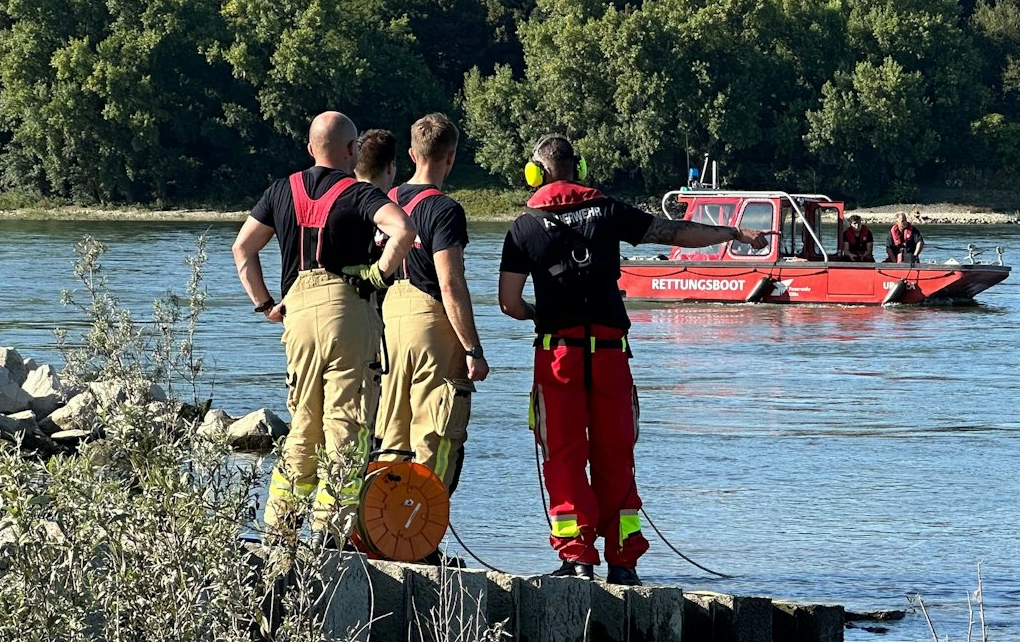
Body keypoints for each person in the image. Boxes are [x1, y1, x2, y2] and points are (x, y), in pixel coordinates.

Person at [498, 133, 766, 585]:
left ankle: (577, 557)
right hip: (610, 356)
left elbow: (509, 302)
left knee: (562, 456)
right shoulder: (608, 210)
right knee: (615, 455)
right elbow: (675, 231)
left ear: (535, 174)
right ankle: (623, 562)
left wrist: (542, 316)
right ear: (578, 169)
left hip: (558, 355)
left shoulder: (523, 228)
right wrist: (735, 233)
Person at [234, 111, 416, 539]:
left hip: (296, 312)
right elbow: (403, 229)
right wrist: (379, 274)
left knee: (303, 423)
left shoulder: (280, 191)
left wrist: (265, 305)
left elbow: (243, 249)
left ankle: (280, 527)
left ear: (309, 146)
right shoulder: (357, 193)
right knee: (347, 424)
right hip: (347, 310)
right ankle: (331, 533)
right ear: (352, 150)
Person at [375, 113, 488, 499]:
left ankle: (380, 531)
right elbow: (450, 282)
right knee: (436, 432)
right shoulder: (444, 210)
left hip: (387, 322)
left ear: (411, 153)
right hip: (431, 324)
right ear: (451, 158)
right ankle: (419, 534)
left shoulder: (383, 201)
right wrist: (472, 348)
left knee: (390, 431)